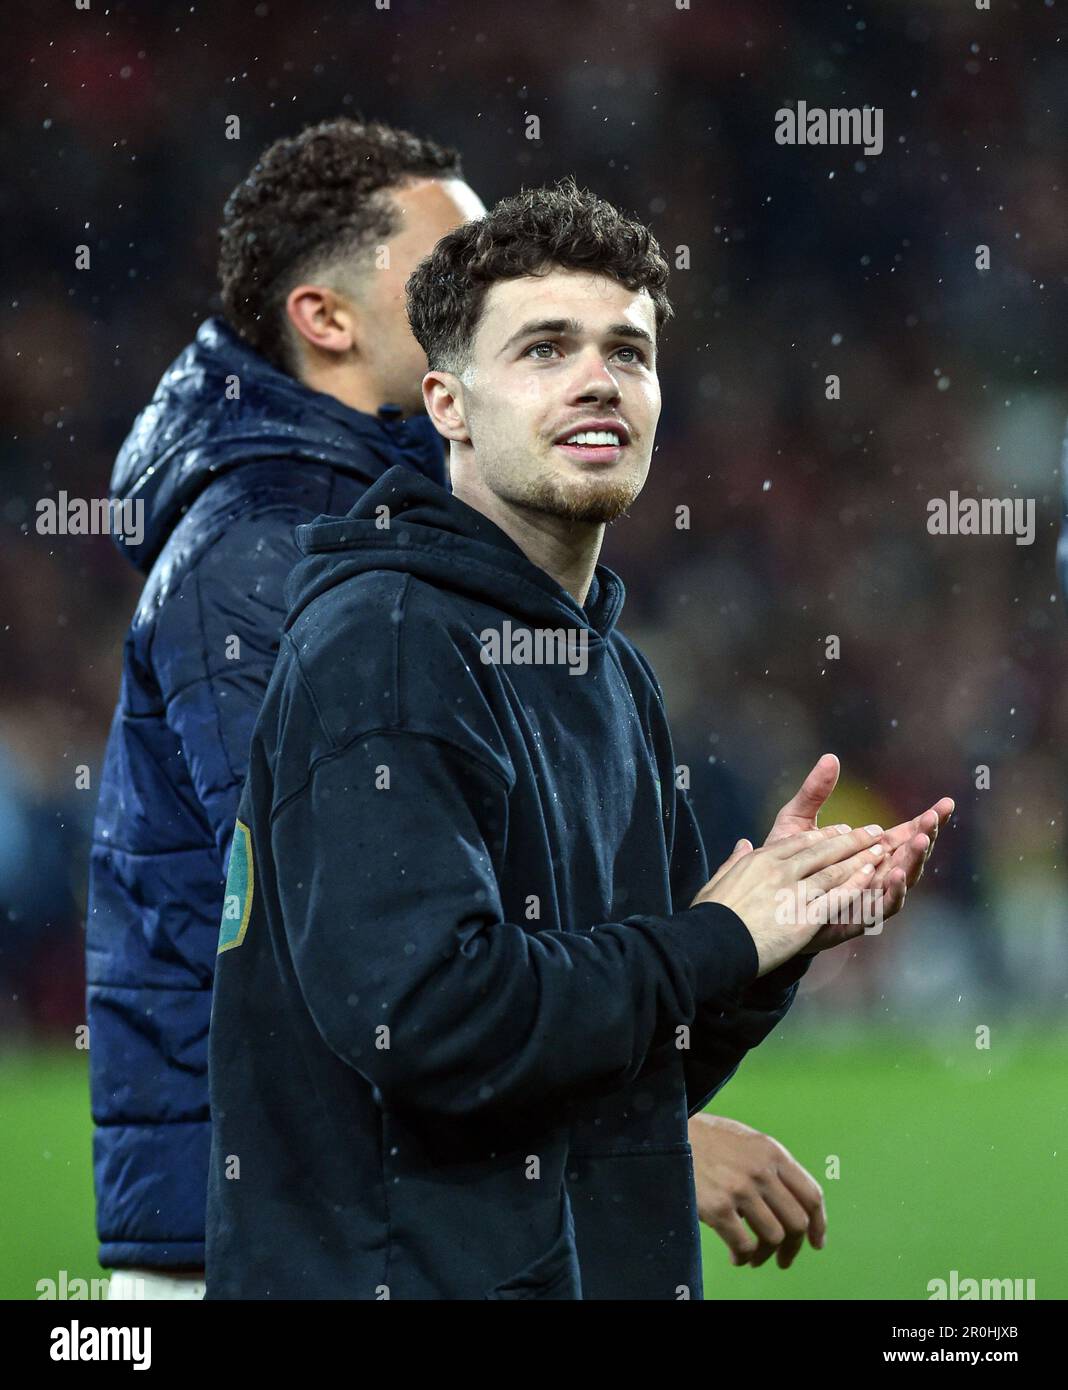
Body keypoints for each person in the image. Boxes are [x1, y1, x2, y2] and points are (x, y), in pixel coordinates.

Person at [204, 178, 951, 1299]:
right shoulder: (389, 643)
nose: (600, 377)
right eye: (546, 348)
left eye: (629, 351)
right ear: (448, 403)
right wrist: (714, 939)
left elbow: (606, 1066)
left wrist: (776, 939)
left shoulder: (604, 662)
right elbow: (432, 1022)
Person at [86, 117, 485, 1298]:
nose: (493, 296)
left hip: (337, 1206)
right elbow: (342, 915)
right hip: (255, 1233)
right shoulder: (262, 546)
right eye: (452, 272)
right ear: (327, 318)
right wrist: (622, 1136)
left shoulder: (376, 518)